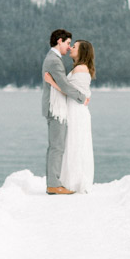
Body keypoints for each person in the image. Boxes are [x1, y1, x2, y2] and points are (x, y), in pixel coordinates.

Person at [41, 29, 89, 195]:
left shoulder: (53, 58)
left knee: (55, 146)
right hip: (56, 108)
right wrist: (82, 98)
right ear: (59, 41)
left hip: (55, 107)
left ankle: (53, 182)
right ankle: (53, 184)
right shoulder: (54, 60)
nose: (69, 47)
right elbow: (65, 85)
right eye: (68, 43)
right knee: (57, 147)